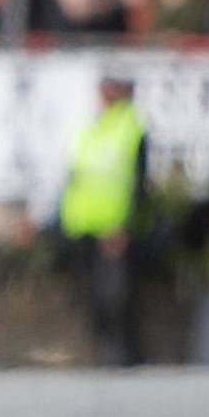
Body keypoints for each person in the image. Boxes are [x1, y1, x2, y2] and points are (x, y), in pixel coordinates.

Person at [59, 75, 150, 366]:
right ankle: (100, 357)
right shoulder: (92, 126)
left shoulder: (130, 126)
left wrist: (124, 226)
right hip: (83, 225)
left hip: (113, 230)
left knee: (116, 299)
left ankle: (123, 360)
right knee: (93, 298)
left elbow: (136, 183)